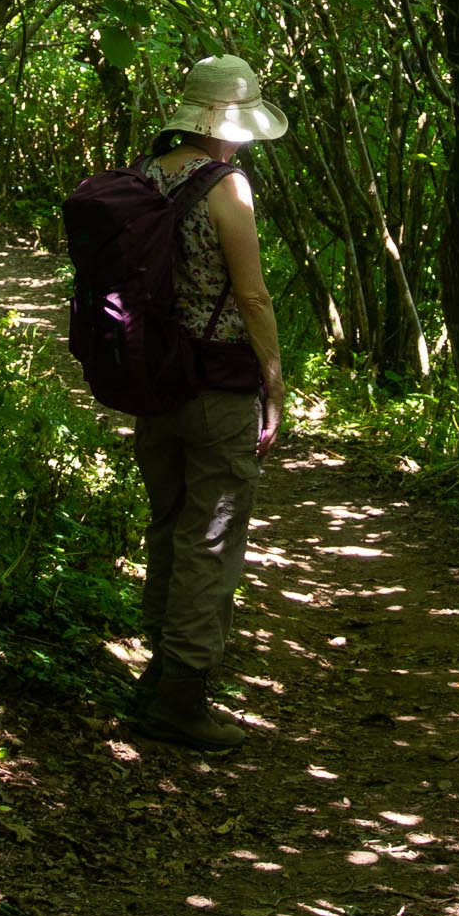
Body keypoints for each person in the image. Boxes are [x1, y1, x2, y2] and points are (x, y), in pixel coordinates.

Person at [131, 54, 287, 754]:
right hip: (216, 389)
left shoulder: (145, 179)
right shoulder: (229, 188)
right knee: (211, 540)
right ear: (229, 120)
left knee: (168, 525)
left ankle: (156, 674)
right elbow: (251, 295)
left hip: (154, 382)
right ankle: (180, 699)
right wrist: (274, 380)